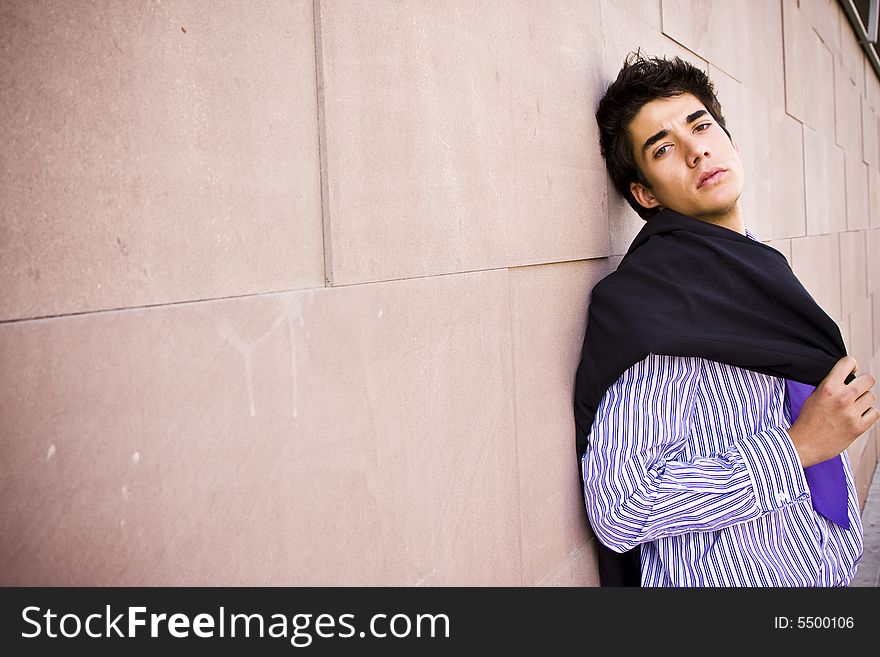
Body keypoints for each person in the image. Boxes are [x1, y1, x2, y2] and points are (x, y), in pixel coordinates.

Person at [573, 53, 879, 586]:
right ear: (645, 195)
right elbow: (619, 507)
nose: (697, 151)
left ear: (730, 141)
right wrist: (800, 446)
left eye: (701, 126)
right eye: (663, 148)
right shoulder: (656, 305)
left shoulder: (755, 266)